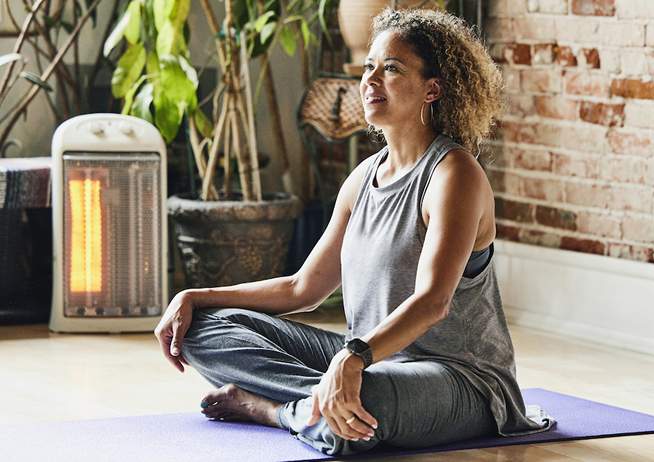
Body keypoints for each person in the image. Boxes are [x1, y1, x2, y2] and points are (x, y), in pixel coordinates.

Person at [154, 7, 553, 456]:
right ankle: (324, 404)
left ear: (432, 89)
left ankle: (274, 409)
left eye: (392, 69)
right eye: (369, 67)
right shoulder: (363, 178)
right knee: (201, 330)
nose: (370, 80)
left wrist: (355, 357)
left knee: (365, 403)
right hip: (368, 360)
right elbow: (302, 289)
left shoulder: (454, 174)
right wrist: (196, 297)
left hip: (460, 380)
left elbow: (433, 302)